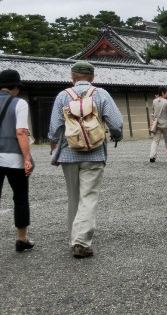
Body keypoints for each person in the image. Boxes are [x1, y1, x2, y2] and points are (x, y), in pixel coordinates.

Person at [48, 61, 123, 258]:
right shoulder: (101, 94)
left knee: (74, 197)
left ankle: (74, 239)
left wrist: (54, 147)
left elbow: (54, 129)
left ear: (72, 77)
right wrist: (116, 134)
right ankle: (82, 241)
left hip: (68, 153)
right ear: (92, 77)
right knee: (88, 196)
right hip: (95, 153)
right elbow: (116, 122)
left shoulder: (63, 96)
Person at [0, 69, 35, 252]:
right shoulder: (19, 103)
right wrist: (27, 158)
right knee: (20, 198)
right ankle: (21, 239)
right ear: (15, 87)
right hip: (14, 159)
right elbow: (21, 132)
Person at [149, 86, 167, 162]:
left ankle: (152, 155)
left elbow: (153, 111)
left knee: (155, 140)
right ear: (163, 93)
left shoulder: (154, 101)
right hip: (166, 125)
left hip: (157, 124)